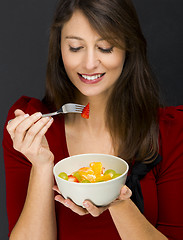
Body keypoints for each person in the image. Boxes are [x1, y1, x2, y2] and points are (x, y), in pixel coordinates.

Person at [3, 0, 183, 239]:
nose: (89, 64)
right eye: (76, 47)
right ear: (60, 49)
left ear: (128, 48)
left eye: (106, 47)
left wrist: (117, 203)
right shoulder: (32, 129)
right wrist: (41, 166)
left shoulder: (170, 133)